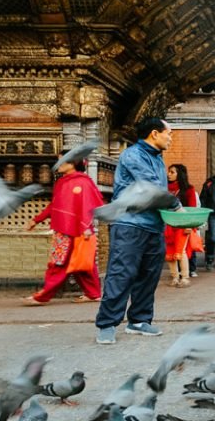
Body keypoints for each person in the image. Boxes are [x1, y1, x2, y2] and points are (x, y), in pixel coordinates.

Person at [95, 117, 181, 344]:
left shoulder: (158, 159)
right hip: (129, 224)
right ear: (155, 133)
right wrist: (177, 206)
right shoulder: (133, 155)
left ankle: (140, 320)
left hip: (153, 225)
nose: (170, 138)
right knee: (121, 274)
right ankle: (107, 324)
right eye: (169, 133)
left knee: (148, 275)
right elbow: (152, 187)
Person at [22, 151, 104, 305]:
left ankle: (42, 296)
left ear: (73, 163)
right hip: (68, 228)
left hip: (78, 230)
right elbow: (55, 205)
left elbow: (89, 206)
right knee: (82, 264)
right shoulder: (64, 182)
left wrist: (85, 227)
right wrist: (36, 220)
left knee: (60, 264)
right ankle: (93, 294)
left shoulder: (83, 182)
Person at [165, 164, 198, 288]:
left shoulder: (189, 189)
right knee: (169, 252)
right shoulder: (164, 188)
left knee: (181, 251)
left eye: (172, 172)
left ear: (180, 174)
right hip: (167, 224)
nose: (169, 174)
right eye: (169, 172)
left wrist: (190, 225)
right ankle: (174, 277)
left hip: (183, 224)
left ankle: (185, 278)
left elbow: (192, 209)